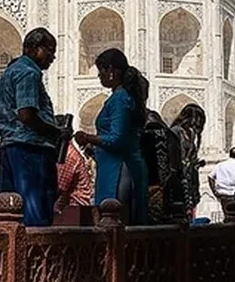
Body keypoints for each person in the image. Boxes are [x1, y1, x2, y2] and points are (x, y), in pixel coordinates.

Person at [0, 27, 65, 227]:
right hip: (30, 149)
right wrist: (55, 131)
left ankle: (12, 256)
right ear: (34, 49)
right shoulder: (28, 72)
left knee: (10, 211)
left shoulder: (9, 73)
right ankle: (36, 256)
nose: (53, 56)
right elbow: (27, 115)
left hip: (9, 147)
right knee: (34, 211)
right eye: (49, 50)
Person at [75, 49, 149, 225]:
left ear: (111, 71)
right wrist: (94, 148)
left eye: (101, 70)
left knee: (116, 222)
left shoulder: (120, 98)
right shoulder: (122, 97)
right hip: (119, 165)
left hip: (120, 169)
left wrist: (87, 137)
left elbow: (117, 139)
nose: (99, 75)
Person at [141, 104, 183, 225]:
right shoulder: (169, 135)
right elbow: (176, 167)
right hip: (167, 190)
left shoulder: (146, 135)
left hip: (152, 188)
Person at [171, 104, 207, 217]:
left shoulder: (191, 134)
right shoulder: (175, 132)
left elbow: (190, 157)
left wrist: (195, 163)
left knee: (190, 211)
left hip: (189, 177)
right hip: (178, 178)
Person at [55, 140, 94, 215]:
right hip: (70, 206)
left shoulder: (67, 154)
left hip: (74, 208)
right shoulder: (65, 152)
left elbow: (59, 189)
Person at [208, 148, 235, 219]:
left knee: (227, 216)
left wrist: (214, 191)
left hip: (223, 195)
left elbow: (210, 177)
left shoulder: (220, 165)